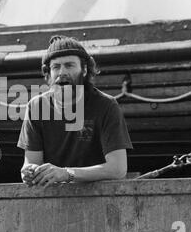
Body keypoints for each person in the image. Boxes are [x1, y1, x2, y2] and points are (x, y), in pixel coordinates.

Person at [17, 35, 133, 187]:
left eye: (69, 65)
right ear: (48, 73)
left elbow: (118, 169)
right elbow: (31, 162)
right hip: (51, 199)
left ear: (84, 70)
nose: (62, 72)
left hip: (100, 198)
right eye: (56, 67)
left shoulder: (106, 105)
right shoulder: (36, 107)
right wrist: (29, 171)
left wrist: (67, 173)